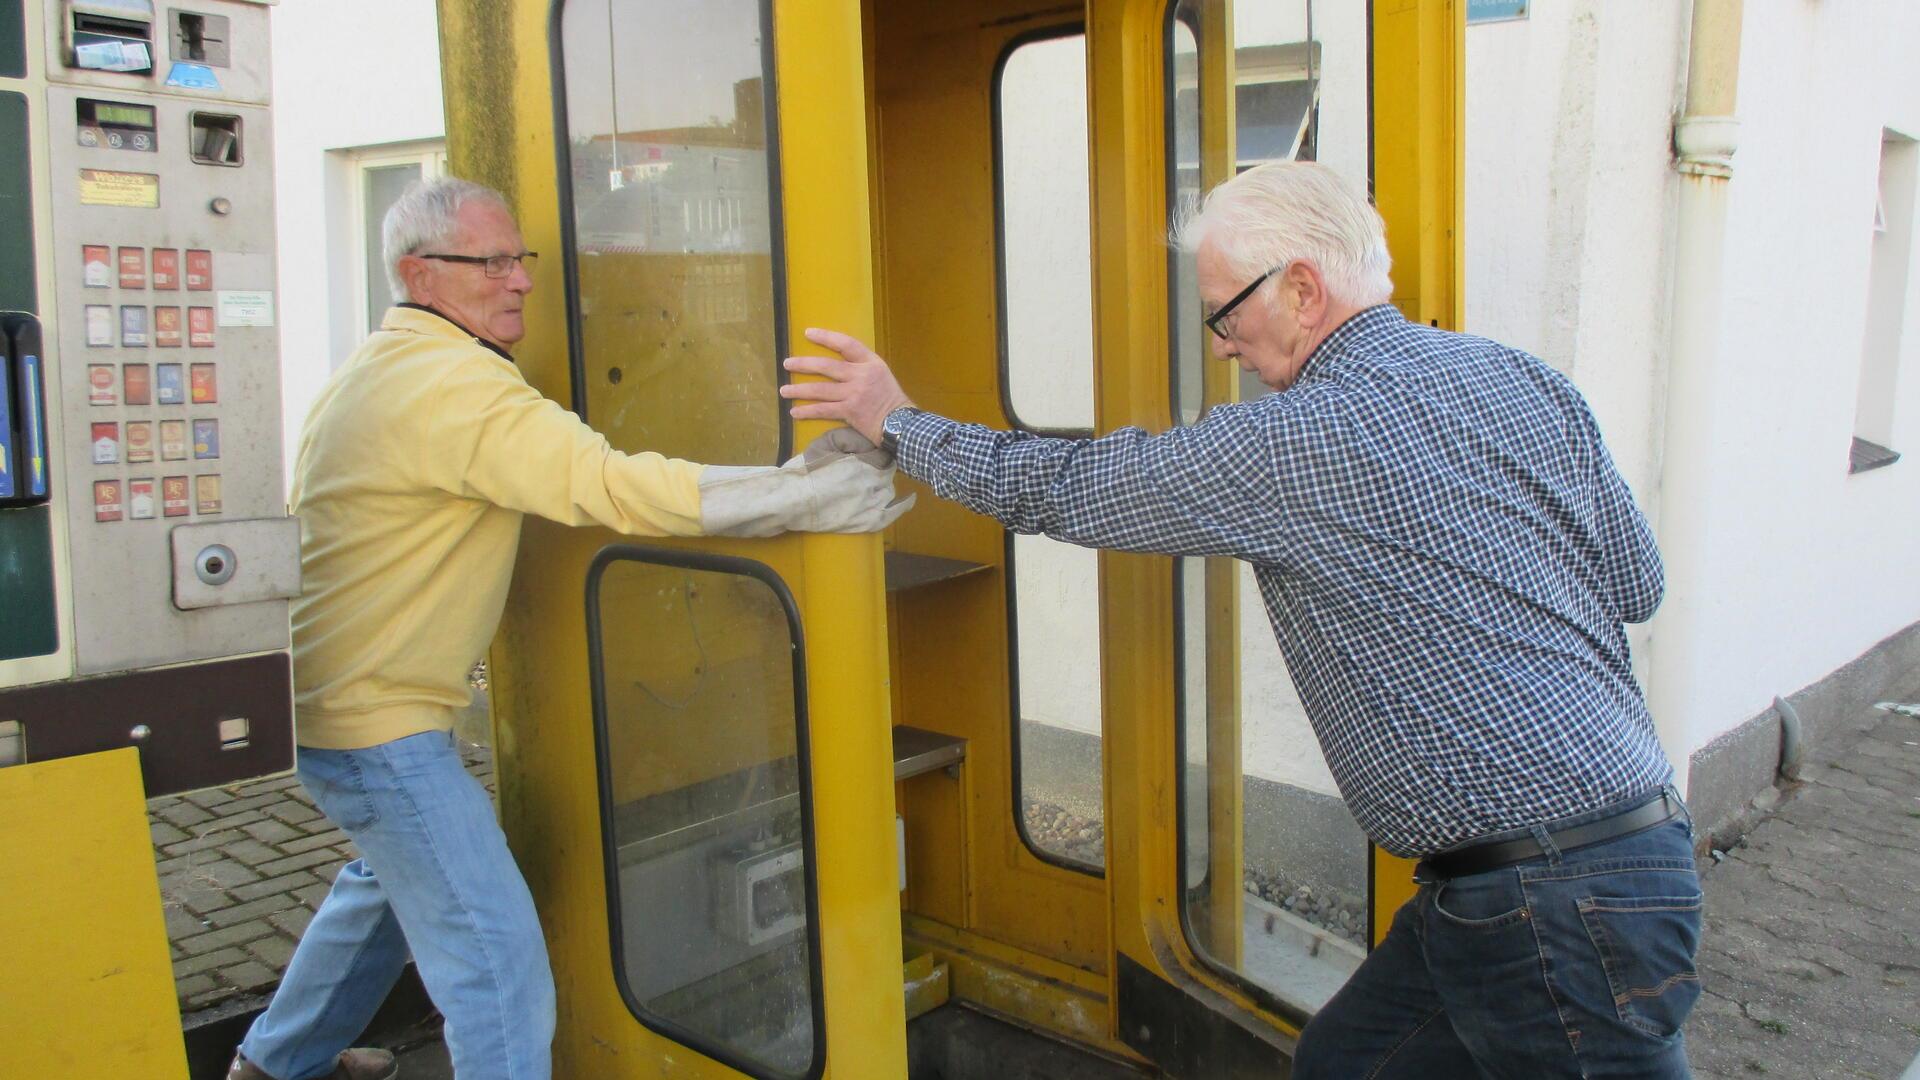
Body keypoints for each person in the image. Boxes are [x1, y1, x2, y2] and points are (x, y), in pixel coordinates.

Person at [781, 161, 1702, 1078]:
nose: (1220, 345)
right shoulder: (1523, 382)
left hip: (1548, 904)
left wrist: (896, 420)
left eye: (1223, 313)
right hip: (1590, 863)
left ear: (1302, 288)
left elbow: (1072, 490)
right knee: (1346, 1064)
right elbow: (1636, 584)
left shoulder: (1299, 439)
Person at [230, 177, 907, 1080]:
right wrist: (800, 494)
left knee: (388, 890)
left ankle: (274, 1065)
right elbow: (614, 484)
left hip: (337, 706)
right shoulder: (453, 386)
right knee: (498, 968)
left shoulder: (381, 364)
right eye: (492, 263)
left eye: (523, 260)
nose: (518, 282)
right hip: (379, 727)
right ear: (417, 272)